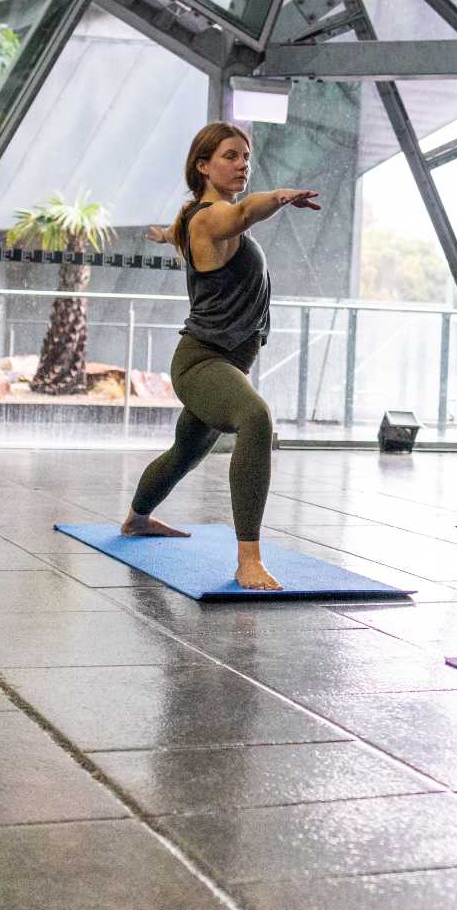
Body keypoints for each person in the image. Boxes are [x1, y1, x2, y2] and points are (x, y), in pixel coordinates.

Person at [124, 122, 321, 591]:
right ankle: (248, 560)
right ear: (203, 165)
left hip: (226, 363)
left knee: (185, 453)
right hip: (202, 363)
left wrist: (161, 235)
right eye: (230, 156)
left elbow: (188, 230)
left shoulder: (194, 220)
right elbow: (244, 215)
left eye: (245, 157)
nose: (242, 164)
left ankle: (136, 519)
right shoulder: (212, 217)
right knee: (255, 417)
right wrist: (278, 196)